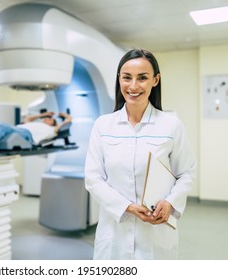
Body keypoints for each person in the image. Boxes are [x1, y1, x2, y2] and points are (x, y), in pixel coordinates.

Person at [84, 49, 196, 260]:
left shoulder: (171, 126)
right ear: (119, 80)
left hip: (155, 233)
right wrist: (126, 207)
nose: (133, 86)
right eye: (127, 78)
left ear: (155, 80)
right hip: (114, 232)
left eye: (142, 78)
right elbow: (93, 179)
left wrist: (171, 202)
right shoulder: (103, 125)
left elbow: (187, 173)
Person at [0, 111, 72, 146]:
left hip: (27, 135)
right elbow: (27, 119)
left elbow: (69, 120)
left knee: (2, 126)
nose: (48, 119)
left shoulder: (52, 130)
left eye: (51, 119)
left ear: (54, 124)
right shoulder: (36, 123)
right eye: (47, 118)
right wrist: (43, 114)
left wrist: (63, 114)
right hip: (17, 129)